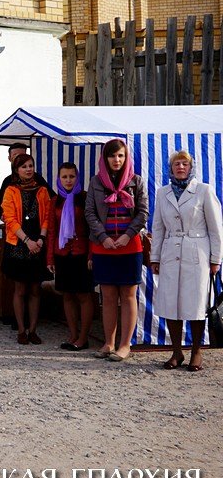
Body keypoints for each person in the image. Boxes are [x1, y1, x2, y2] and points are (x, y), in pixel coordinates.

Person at [150, 150, 223, 372]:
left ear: (191, 167)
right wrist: (155, 256)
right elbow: (158, 227)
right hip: (171, 252)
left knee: (195, 304)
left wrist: (215, 259)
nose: (180, 167)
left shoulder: (203, 191)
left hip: (197, 254)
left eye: (184, 164)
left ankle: (196, 351)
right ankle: (176, 352)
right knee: (171, 303)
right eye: (176, 164)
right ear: (170, 168)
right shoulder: (163, 193)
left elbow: (215, 228)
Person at [84, 138, 149, 362]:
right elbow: (89, 212)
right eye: (112, 155)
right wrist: (103, 237)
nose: (117, 160)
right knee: (108, 295)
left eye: (120, 155)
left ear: (126, 157)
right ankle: (109, 343)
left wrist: (126, 235)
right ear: (105, 158)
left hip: (129, 246)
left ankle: (125, 345)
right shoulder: (96, 182)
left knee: (128, 296)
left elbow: (143, 213)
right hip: (104, 246)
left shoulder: (136, 181)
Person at [0, 154, 52, 344]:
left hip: (38, 243)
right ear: (16, 170)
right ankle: (21, 329)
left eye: (30, 165)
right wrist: (27, 240)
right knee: (20, 289)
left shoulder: (43, 190)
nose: (28, 169)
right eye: (24, 167)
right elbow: (10, 219)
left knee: (35, 289)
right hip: (18, 244)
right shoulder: (11, 190)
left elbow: (47, 216)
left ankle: (33, 330)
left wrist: (41, 238)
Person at [47, 162, 95, 351]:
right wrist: (49, 258)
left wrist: (92, 255)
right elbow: (52, 231)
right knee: (67, 295)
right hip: (62, 253)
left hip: (81, 253)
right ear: (59, 179)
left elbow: (92, 230)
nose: (68, 180)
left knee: (84, 295)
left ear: (77, 178)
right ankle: (73, 334)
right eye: (64, 177)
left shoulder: (84, 198)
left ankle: (84, 337)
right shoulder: (55, 201)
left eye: (71, 177)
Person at [0, 143, 48, 222]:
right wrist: (3, 216)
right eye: (15, 155)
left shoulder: (38, 179)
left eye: (22, 155)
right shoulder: (8, 182)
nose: (19, 158)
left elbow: (50, 199)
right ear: (9, 158)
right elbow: (0, 203)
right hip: (15, 227)